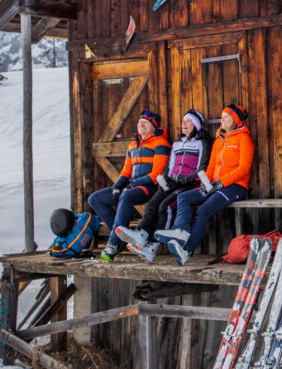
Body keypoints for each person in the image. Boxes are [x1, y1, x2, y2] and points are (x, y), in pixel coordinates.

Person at [156, 104, 253, 265]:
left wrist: (221, 183)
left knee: (203, 210)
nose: (222, 120)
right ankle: (181, 231)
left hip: (235, 186)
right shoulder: (219, 140)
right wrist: (205, 182)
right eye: (222, 116)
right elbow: (211, 168)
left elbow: (244, 168)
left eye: (226, 117)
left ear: (235, 120)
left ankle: (187, 250)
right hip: (214, 185)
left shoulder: (244, 139)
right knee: (184, 197)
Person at [116, 109, 211, 262]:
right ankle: (142, 234)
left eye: (188, 121)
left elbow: (202, 167)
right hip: (174, 181)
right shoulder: (177, 144)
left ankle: (153, 246)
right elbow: (169, 166)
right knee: (153, 202)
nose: (184, 124)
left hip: (191, 184)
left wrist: (187, 179)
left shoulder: (202, 143)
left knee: (164, 206)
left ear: (197, 125)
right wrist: (165, 180)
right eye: (183, 121)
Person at [88, 109, 170, 261]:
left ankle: (113, 244)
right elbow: (126, 170)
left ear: (154, 127)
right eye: (140, 122)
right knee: (95, 199)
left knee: (126, 195)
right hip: (131, 188)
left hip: (149, 188)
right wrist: (118, 186)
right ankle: (122, 237)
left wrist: (131, 185)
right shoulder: (133, 145)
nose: (142, 125)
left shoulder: (161, 143)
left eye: (146, 123)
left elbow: (156, 175)